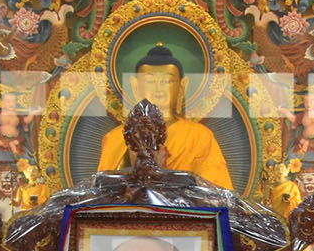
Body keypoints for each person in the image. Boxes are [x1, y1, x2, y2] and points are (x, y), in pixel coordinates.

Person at [96, 44, 232, 189]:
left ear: (182, 86)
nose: (158, 88)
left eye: (167, 81)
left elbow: (216, 193)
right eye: (149, 81)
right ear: (135, 86)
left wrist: (166, 178)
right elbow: (102, 191)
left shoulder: (200, 137)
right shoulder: (114, 138)